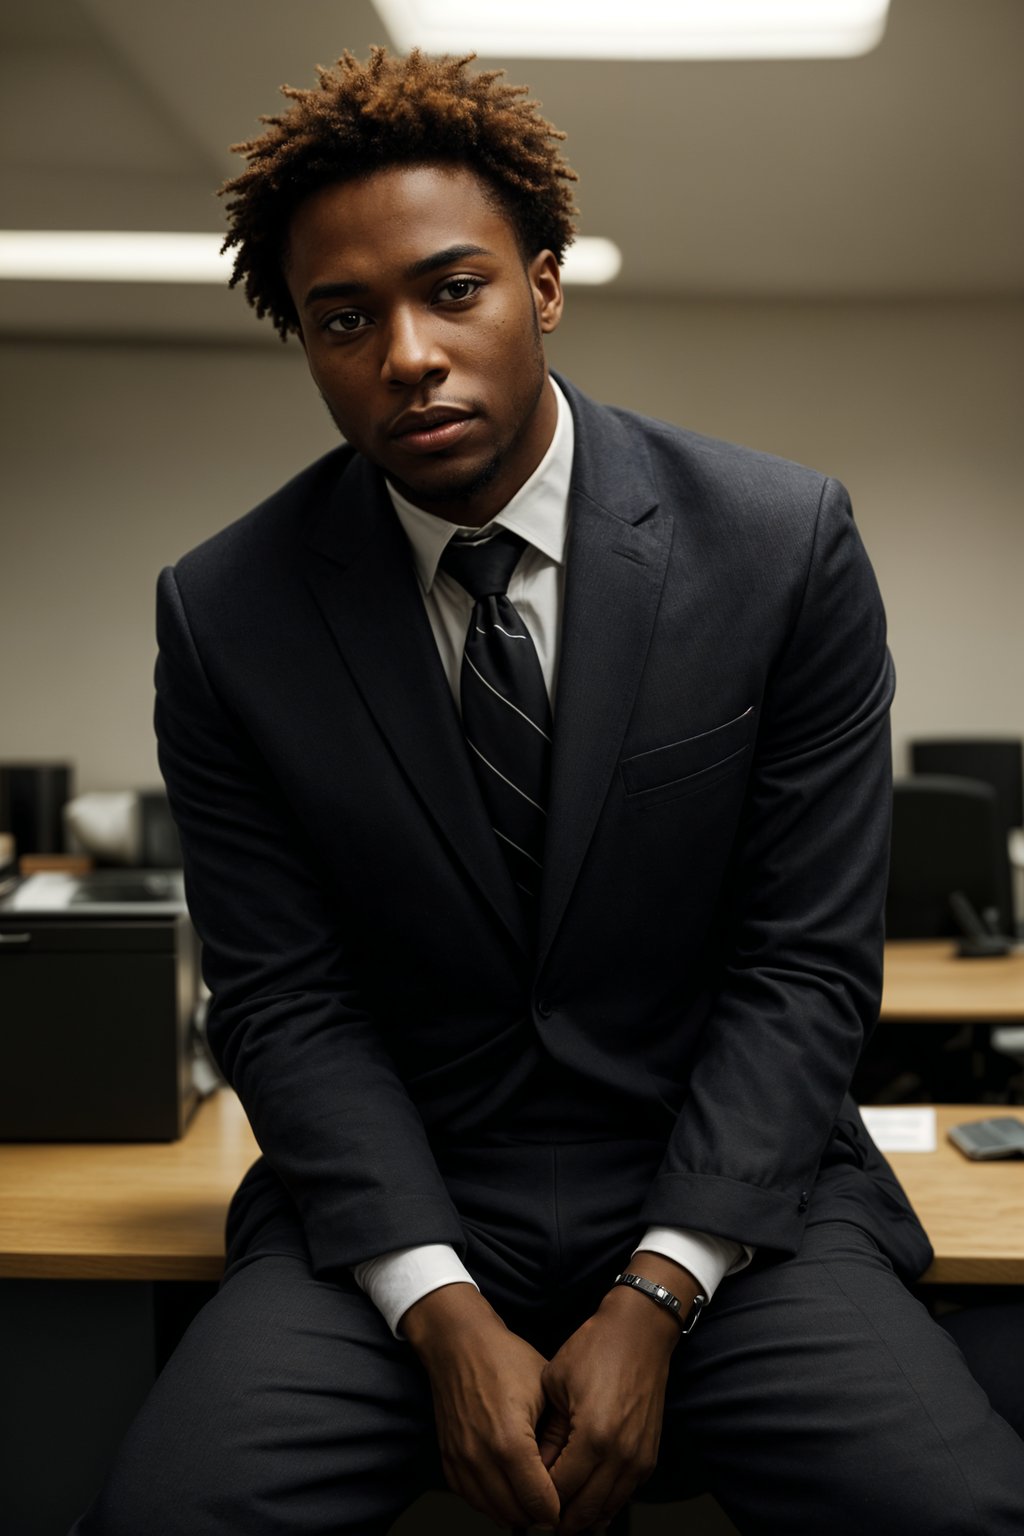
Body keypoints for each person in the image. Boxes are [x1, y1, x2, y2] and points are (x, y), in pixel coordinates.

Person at [73, 47, 1024, 1536]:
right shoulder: (225, 612)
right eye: (344, 320)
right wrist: (436, 1304)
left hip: (729, 1208)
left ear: (547, 283)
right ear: (308, 347)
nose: (406, 352)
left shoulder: (781, 547)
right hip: (395, 1215)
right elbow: (284, 998)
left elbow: (803, 967)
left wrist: (657, 1292)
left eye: (454, 289)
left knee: (955, 1512)